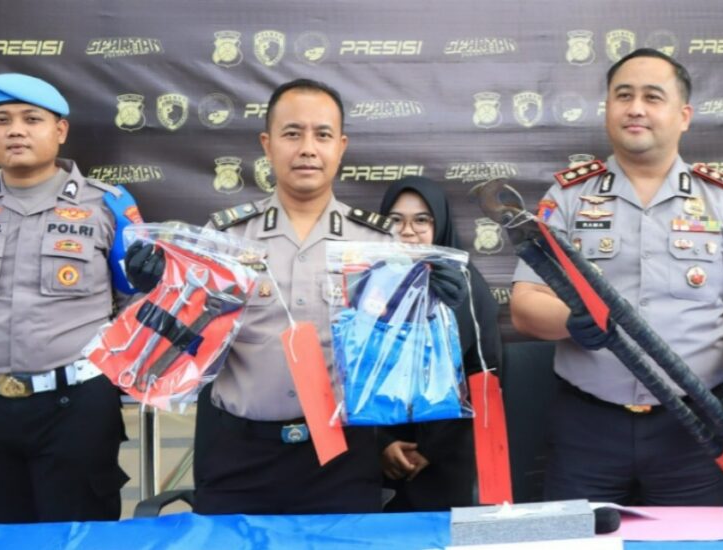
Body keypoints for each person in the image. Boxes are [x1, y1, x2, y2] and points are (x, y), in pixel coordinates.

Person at [126, 79, 467, 514]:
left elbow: (401, 356)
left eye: (322, 135)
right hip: (239, 456)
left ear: (341, 147)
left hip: (342, 458)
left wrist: (435, 306)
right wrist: (159, 290)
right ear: (267, 145)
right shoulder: (224, 239)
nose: (308, 148)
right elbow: (187, 347)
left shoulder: (377, 245)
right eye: (292, 133)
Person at [508, 48, 723, 506]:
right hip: (587, 430)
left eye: (652, 97)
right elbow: (525, 303)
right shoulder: (569, 197)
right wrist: (570, 321)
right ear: (607, 109)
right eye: (623, 96)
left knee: (696, 540)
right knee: (580, 539)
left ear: (684, 116)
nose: (635, 108)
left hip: (695, 432)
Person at [0, 73, 142, 523]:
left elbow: (136, 303)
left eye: (31, 119)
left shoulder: (109, 206)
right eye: (2, 120)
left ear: (60, 130)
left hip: (75, 410)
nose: (16, 131)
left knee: (77, 538)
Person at [375, 176, 502, 511]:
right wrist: (381, 444)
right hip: (374, 455)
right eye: (395, 220)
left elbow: (482, 374)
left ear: (440, 225)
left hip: (447, 454)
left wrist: (432, 449)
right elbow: (350, 373)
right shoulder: (365, 283)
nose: (407, 231)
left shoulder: (467, 286)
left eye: (421, 220)